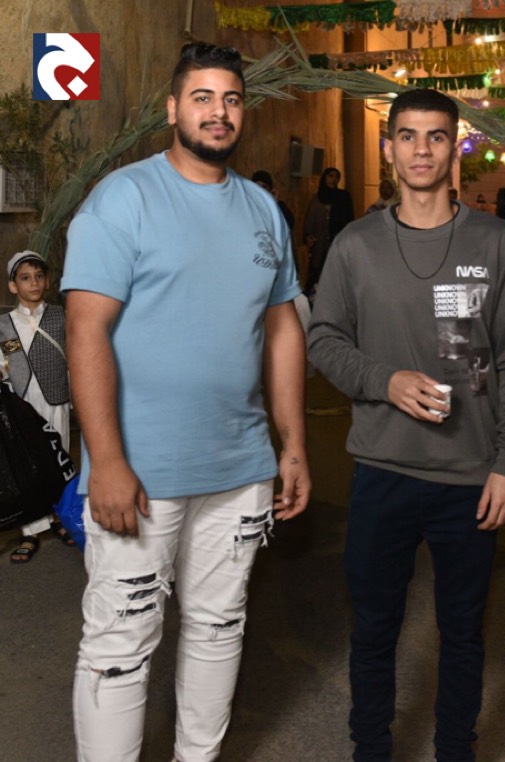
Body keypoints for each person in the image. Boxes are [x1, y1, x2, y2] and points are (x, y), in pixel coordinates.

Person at [62, 42, 310, 761]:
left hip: (240, 467)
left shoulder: (262, 210)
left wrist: (293, 445)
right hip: (142, 472)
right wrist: (106, 461)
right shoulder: (124, 199)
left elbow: (282, 329)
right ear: (173, 109)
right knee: (120, 642)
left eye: (231, 99)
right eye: (202, 97)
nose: (218, 112)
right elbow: (84, 330)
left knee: (218, 627)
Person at [307, 88, 505, 762]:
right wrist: (385, 381)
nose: (421, 150)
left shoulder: (494, 241)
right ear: (389, 149)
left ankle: (455, 750)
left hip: (472, 477)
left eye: (436, 136)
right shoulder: (356, 245)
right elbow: (323, 339)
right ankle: (370, 749)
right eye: (407, 136)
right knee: (374, 629)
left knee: (462, 633)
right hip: (384, 471)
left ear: (453, 146)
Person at [2, 250, 75, 563]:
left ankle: (61, 518)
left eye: (39, 276)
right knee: (29, 463)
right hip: (21, 404)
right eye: (25, 278)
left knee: (60, 459)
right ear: (13, 286)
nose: (33, 283)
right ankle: (31, 531)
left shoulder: (62, 316)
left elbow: (76, 356)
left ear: (46, 281)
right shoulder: (4, 324)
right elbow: (4, 363)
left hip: (56, 398)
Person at [304, 166, 355, 292]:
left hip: (337, 242)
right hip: (319, 244)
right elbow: (310, 218)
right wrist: (308, 235)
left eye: (336, 177)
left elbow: (348, 220)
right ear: (324, 178)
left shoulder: (343, 197)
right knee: (317, 275)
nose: (333, 179)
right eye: (330, 176)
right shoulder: (317, 198)